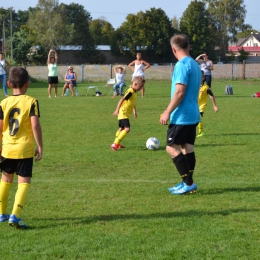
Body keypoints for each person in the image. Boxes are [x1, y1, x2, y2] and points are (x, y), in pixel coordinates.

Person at [0, 67, 43, 228]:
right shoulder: (31, 101)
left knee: (5, 179)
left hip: (7, 148)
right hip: (24, 149)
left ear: (9, 84)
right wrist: (40, 145)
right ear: (27, 84)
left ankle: (1, 213)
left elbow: (0, 127)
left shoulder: (3, 103)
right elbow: (35, 125)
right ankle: (15, 216)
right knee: (23, 182)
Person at [159, 34, 201, 195]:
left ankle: (188, 183)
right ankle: (187, 182)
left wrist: (167, 112)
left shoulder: (182, 65)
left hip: (181, 115)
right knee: (187, 148)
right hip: (193, 114)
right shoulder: (195, 64)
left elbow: (179, 92)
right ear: (188, 46)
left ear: (173, 49)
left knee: (171, 148)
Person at [110, 76, 145, 151]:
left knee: (121, 128)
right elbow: (121, 99)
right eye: (140, 86)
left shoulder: (135, 92)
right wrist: (117, 110)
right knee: (127, 129)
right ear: (135, 84)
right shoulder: (131, 91)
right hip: (123, 113)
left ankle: (116, 143)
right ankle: (115, 144)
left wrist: (134, 112)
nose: (141, 88)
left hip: (126, 114)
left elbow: (133, 103)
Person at [197, 71, 219, 137]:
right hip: (194, 105)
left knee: (199, 117)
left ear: (203, 78)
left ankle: (201, 132)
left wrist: (214, 106)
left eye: (200, 77)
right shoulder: (195, 85)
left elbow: (212, 96)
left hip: (202, 105)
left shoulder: (206, 87)